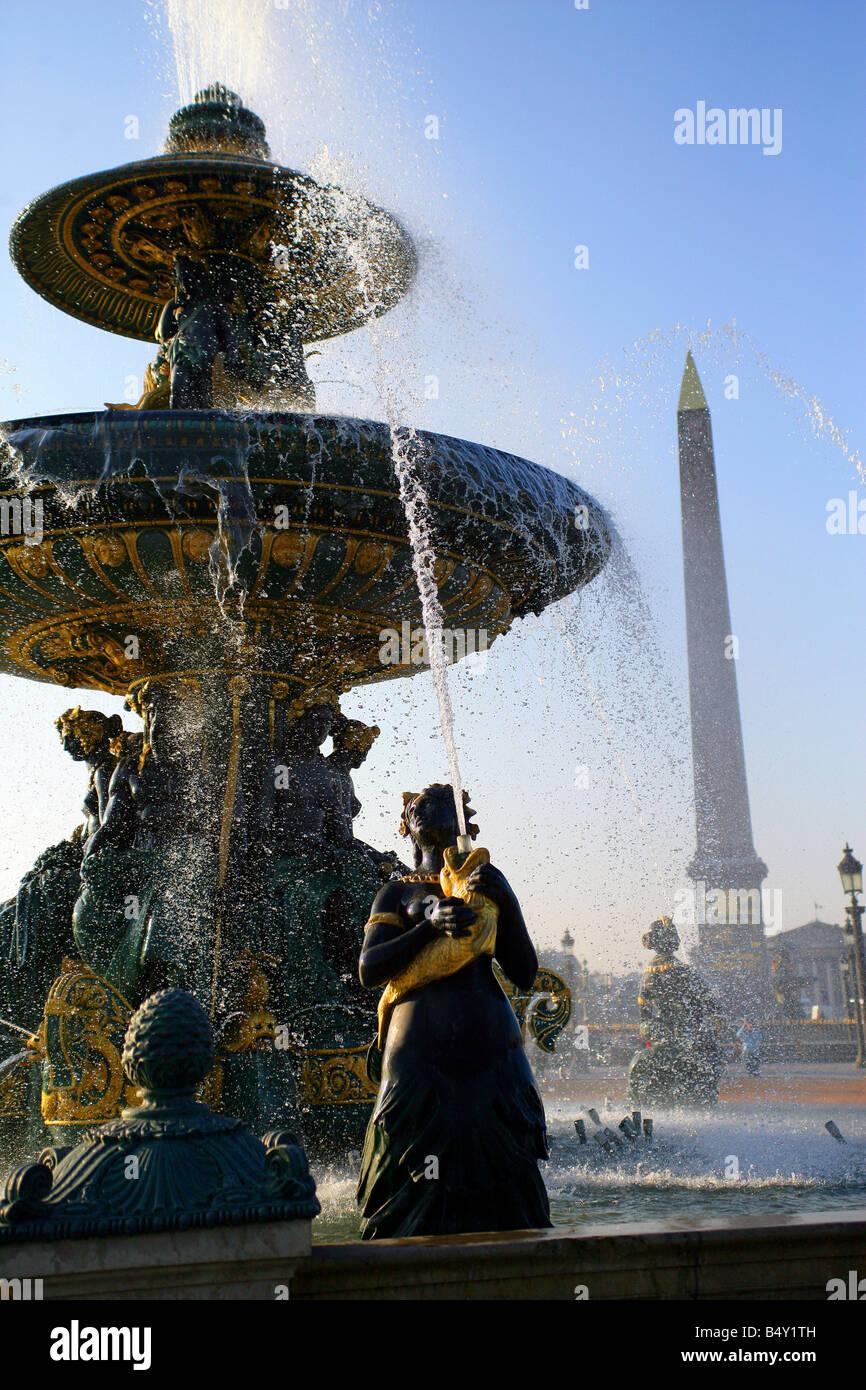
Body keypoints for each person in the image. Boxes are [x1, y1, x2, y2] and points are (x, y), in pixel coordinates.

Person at [356, 783, 551, 1238]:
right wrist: (428, 925)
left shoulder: (484, 883)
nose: (429, 808)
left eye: (443, 803)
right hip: (418, 1058)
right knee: (409, 1175)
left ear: (463, 821)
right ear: (405, 826)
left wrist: (510, 902)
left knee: (508, 1177)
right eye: (417, 806)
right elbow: (369, 968)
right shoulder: (395, 892)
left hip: (494, 1054)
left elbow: (523, 972)